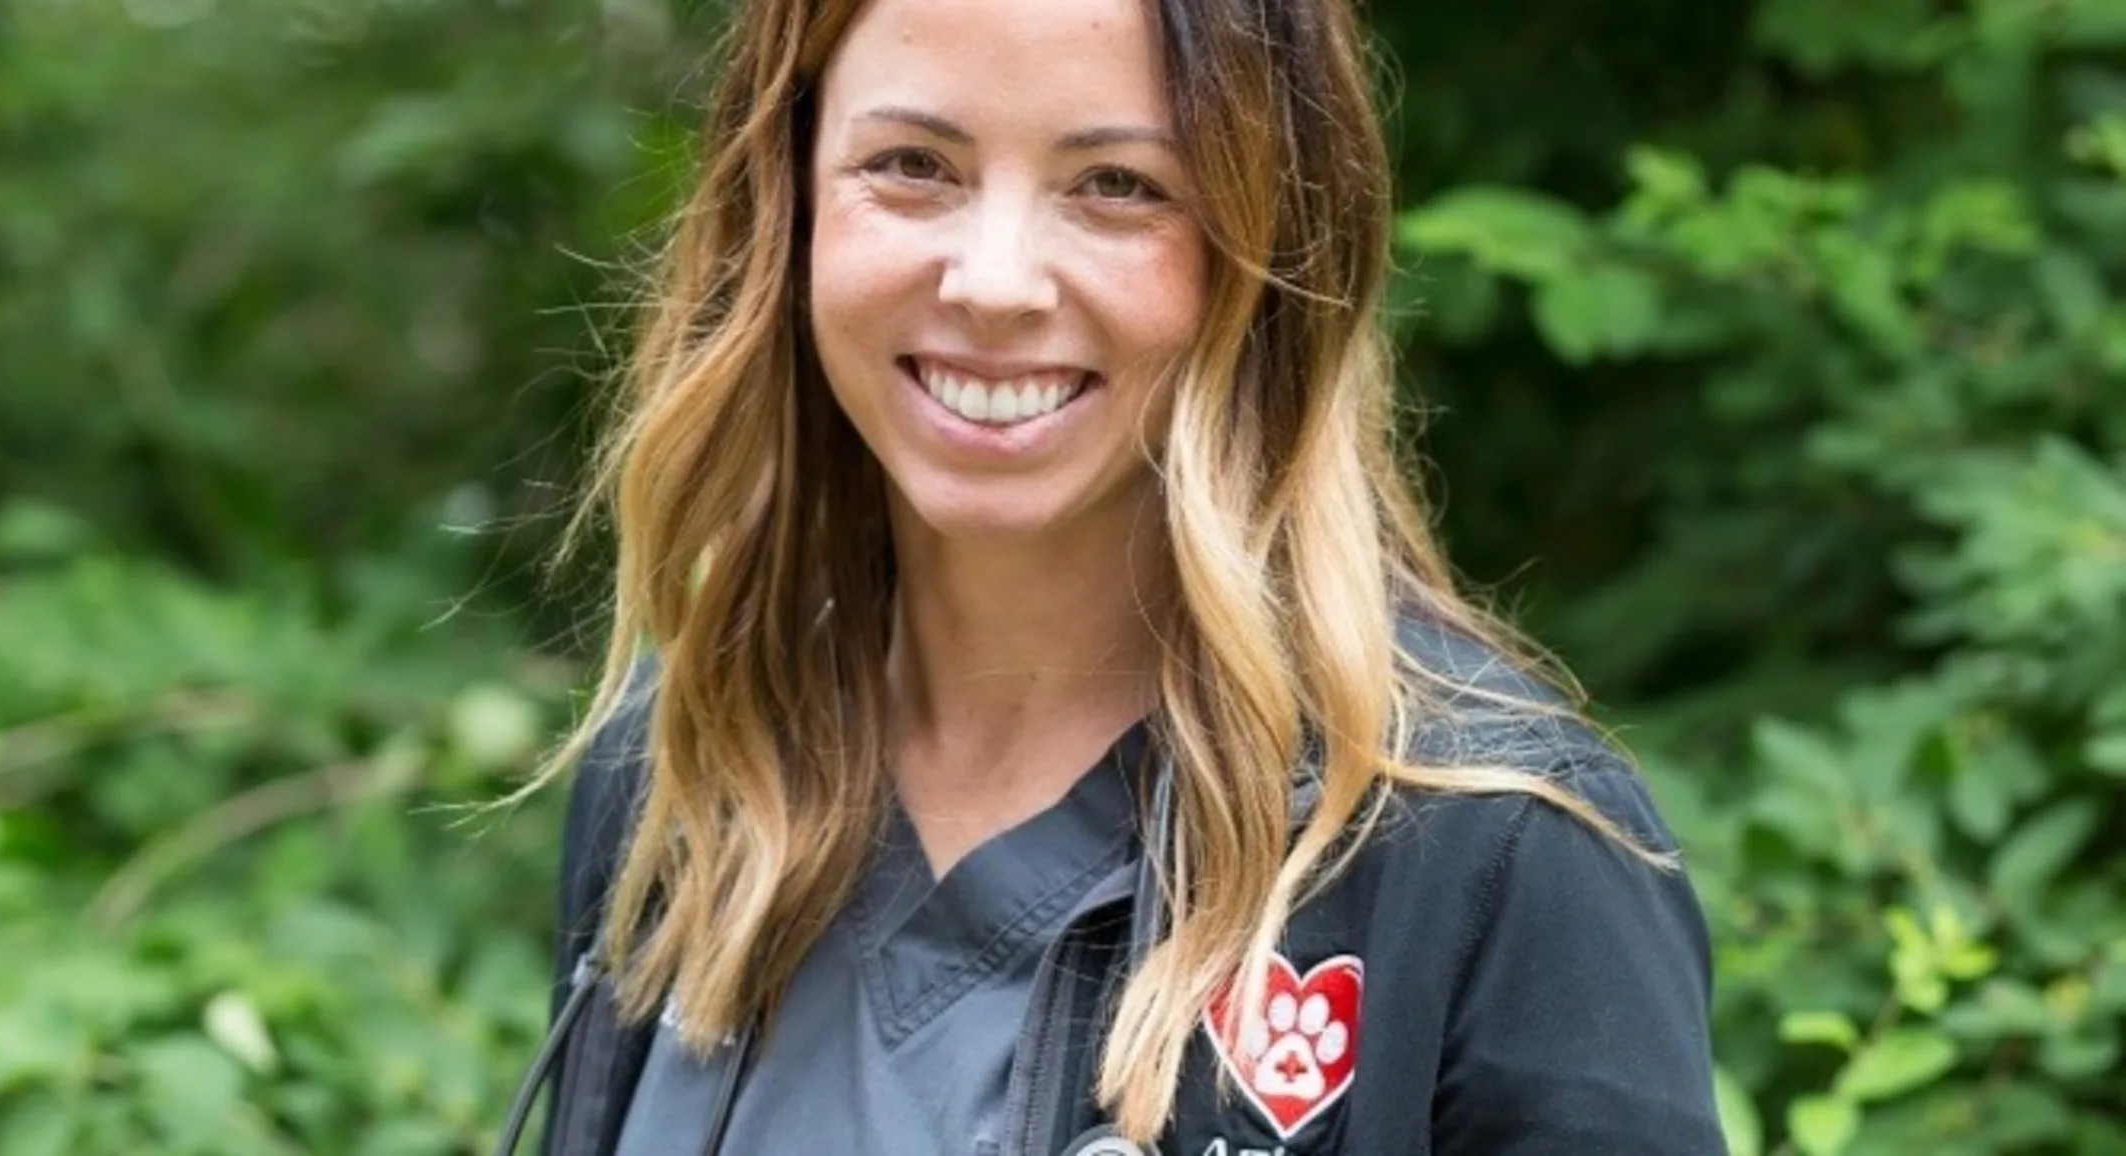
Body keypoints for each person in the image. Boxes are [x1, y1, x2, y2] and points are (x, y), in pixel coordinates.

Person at [496, 0, 1725, 1152]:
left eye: (1118, 186)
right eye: (912, 164)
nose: (992, 281)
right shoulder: (686, 766)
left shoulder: (1496, 858)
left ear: (1276, 253)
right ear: (788, 194)